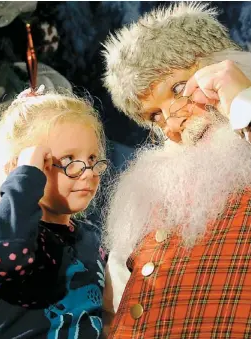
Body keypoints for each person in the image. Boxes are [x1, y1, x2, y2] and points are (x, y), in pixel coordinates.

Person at [101, 3, 251, 338]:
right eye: (154, 115)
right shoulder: (151, 194)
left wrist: (243, 102)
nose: (172, 123)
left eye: (178, 88)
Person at [0, 86, 108, 339]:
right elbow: (5, 255)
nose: (88, 172)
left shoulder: (94, 239)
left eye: (92, 157)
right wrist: (27, 177)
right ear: (19, 167)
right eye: (68, 159)